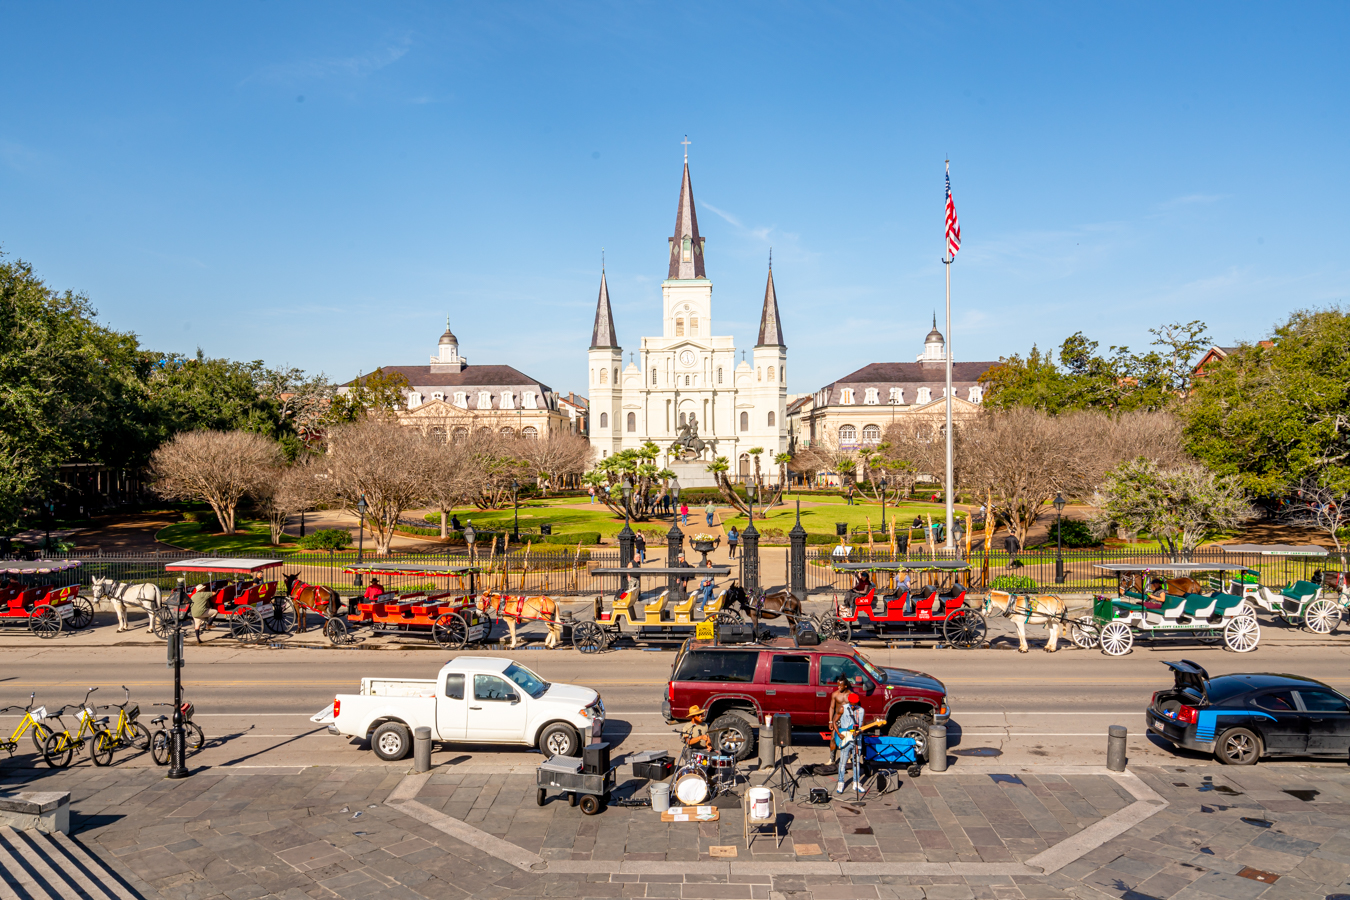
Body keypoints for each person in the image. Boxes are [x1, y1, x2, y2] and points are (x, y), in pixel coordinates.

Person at [835, 692, 865, 794]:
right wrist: (839, 733)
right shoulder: (842, 708)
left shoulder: (861, 711)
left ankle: (856, 783)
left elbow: (862, 725)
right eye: (851, 704)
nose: (853, 707)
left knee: (856, 763)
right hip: (845, 738)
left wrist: (860, 731)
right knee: (843, 763)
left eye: (854, 705)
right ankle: (840, 783)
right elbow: (834, 721)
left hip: (857, 740)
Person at [827, 677, 852, 762]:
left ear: (845, 686)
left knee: (849, 738)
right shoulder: (835, 694)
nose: (838, 687)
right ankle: (832, 759)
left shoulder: (851, 695)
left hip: (848, 720)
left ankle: (849, 758)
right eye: (838, 685)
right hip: (837, 719)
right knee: (833, 738)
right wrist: (830, 721)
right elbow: (831, 707)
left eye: (840, 686)